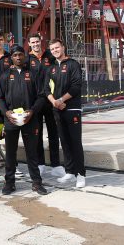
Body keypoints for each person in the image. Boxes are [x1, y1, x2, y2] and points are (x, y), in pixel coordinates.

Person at [0, 45, 48, 196]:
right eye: (15, 55)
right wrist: (6, 112)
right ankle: (9, 183)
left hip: (29, 119)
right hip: (11, 120)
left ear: (25, 56)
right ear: (11, 57)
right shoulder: (5, 75)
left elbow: (41, 96)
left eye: (20, 55)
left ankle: (36, 183)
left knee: (32, 152)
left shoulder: (33, 74)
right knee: (10, 153)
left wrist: (32, 111)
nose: (18, 57)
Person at [46, 39, 86, 188]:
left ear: (63, 47)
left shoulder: (73, 64)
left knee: (75, 142)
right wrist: (54, 102)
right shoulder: (51, 68)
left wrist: (62, 99)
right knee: (64, 141)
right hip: (57, 109)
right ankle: (69, 171)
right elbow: (46, 89)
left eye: (57, 47)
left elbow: (76, 86)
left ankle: (80, 174)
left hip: (72, 108)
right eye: (52, 49)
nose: (55, 51)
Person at [27, 33, 64, 177]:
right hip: (35, 101)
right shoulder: (27, 59)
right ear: (29, 44)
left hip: (50, 100)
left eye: (37, 41)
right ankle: (40, 164)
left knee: (53, 133)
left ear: (40, 41)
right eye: (33, 42)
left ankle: (56, 165)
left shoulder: (50, 56)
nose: (35, 44)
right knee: (37, 134)